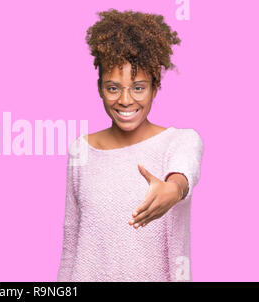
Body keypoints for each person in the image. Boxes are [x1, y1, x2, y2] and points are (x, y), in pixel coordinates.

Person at [57, 9, 204, 282]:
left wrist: (173, 189)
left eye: (138, 87)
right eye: (113, 88)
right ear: (100, 88)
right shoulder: (81, 149)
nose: (125, 100)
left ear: (155, 87)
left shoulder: (181, 140)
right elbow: (71, 244)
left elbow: (184, 173)